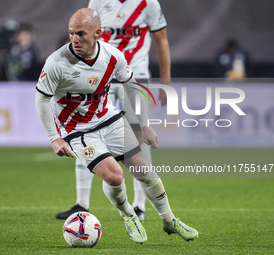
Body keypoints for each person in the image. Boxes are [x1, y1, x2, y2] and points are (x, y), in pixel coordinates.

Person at [35, 8, 198, 243]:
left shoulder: (112, 56)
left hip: (108, 118)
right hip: (78, 129)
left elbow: (132, 86)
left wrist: (144, 125)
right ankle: (128, 213)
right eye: (71, 33)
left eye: (81, 33)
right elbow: (41, 98)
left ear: (98, 33)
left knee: (143, 169)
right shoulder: (56, 63)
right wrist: (55, 137)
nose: (74, 39)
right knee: (114, 176)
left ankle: (169, 220)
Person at [56, 0, 171, 221]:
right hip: (101, 75)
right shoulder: (98, 1)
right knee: (85, 131)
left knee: (139, 137)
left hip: (135, 77)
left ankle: (139, 205)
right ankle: (82, 204)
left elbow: (162, 42)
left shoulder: (148, 3)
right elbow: (87, 35)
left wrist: (165, 83)